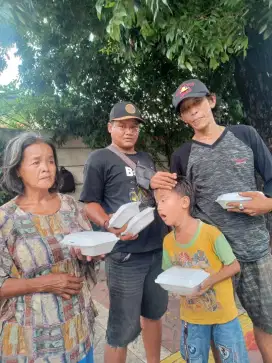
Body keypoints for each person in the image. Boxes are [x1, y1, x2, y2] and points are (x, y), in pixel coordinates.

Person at [170, 79, 272, 363]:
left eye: (198, 103)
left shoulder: (245, 135)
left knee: (267, 321)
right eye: (186, 110)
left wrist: (268, 203)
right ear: (182, 117)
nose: (194, 112)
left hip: (255, 250)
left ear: (211, 101)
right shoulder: (181, 156)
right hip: (212, 259)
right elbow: (182, 207)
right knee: (217, 328)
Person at [80, 101, 170, 363]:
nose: (129, 131)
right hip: (125, 256)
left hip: (156, 250)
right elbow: (89, 204)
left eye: (134, 126)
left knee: (154, 314)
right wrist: (109, 224)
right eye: (122, 126)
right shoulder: (99, 158)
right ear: (110, 128)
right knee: (121, 328)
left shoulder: (145, 158)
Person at [0, 132, 97, 363]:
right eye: (36, 162)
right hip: (30, 340)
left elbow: (87, 252)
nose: (46, 168)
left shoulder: (71, 206)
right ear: (17, 170)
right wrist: (45, 283)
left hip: (77, 330)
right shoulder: (6, 219)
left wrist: (91, 254)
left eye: (50, 160)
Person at [155, 176, 249, 363]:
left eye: (164, 200)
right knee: (194, 359)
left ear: (184, 202)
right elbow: (170, 274)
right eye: (157, 202)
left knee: (234, 359)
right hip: (192, 317)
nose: (159, 207)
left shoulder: (210, 234)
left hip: (224, 315)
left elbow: (235, 265)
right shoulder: (168, 242)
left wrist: (208, 282)